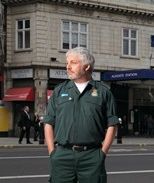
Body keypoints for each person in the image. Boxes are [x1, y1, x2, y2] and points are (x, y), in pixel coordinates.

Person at [44, 47, 119, 183]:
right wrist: (52, 152)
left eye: (73, 63)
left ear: (86, 66)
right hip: (62, 156)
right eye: (67, 63)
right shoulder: (59, 91)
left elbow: (112, 124)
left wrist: (102, 153)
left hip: (92, 157)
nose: (68, 67)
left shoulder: (104, 92)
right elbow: (49, 122)